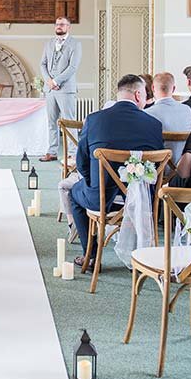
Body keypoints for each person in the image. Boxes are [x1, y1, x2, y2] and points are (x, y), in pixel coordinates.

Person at [67, 75, 164, 267]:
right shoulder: (154, 124)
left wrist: (90, 183)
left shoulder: (94, 120)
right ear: (138, 95)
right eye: (145, 95)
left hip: (101, 200)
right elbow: (155, 166)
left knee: (73, 193)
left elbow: (81, 162)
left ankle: (91, 256)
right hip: (143, 201)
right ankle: (142, 258)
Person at [39, 16, 82, 162]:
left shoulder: (75, 44)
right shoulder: (49, 43)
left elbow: (73, 67)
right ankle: (52, 152)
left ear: (68, 27)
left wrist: (57, 80)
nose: (59, 26)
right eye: (57, 24)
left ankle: (72, 153)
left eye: (62, 24)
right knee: (51, 122)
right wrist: (49, 81)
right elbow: (42, 64)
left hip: (66, 89)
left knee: (69, 121)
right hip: (50, 89)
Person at [145, 72, 191, 164]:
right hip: (183, 169)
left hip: (157, 169)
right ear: (174, 89)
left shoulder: (147, 114)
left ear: (153, 88)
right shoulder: (187, 110)